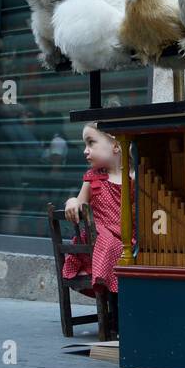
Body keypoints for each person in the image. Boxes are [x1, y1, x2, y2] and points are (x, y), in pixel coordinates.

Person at [62, 123, 129, 333]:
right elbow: (81, 206)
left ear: (116, 146)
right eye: (85, 144)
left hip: (127, 233)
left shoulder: (133, 178)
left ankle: (131, 312)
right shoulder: (93, 179)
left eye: (91, 143)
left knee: (133, 250)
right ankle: (117, 318)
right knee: (115, 248)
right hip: (100, 236)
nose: (85, 150)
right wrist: (72, 201)